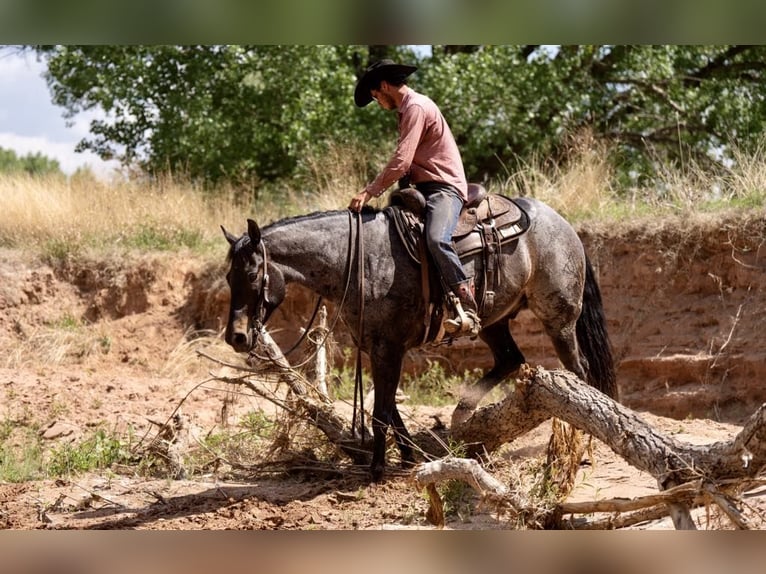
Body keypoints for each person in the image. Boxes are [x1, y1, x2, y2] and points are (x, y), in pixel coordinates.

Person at [348, 59, 479, 335]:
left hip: (444, 187)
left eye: (375, 96)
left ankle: (467, 299)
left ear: (384, 86)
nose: (378, 103)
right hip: (424, 188)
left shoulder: (416, 107)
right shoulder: (407, 109)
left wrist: (369, 191)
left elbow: (402, 162)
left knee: (436, 238)